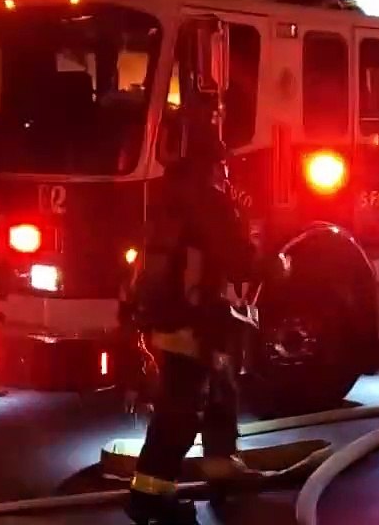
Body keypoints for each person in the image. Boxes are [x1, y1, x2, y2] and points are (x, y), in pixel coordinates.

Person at [123, 124, 262, 525]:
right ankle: (148, 496)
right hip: (193, 320)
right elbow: (238, 259)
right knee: (179, 414)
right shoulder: (211, 203)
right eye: (221, 164)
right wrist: (276, 266)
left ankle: (221, 476)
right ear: (211, 164)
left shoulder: (163, 196)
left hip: (163, 316)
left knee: (219, 393)